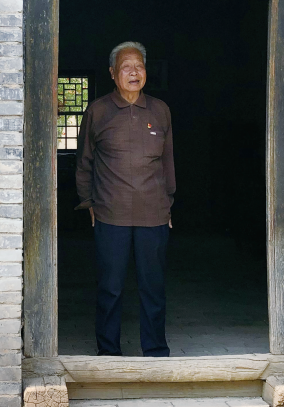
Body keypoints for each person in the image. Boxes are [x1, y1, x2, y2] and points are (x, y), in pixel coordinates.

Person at [74, 41, 176, 357]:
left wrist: (168, 204)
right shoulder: (98, 111)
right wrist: (88, 202)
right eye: (126, 67)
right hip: (110, 214)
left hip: (153, 214)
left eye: (139, 66)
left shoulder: (160, 110)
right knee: (110, 288)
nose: (134, 72)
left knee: (153, 287)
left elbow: (168, 162)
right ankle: (108, 352)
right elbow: (84, 162)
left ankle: (155, 351)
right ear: (112, 73)